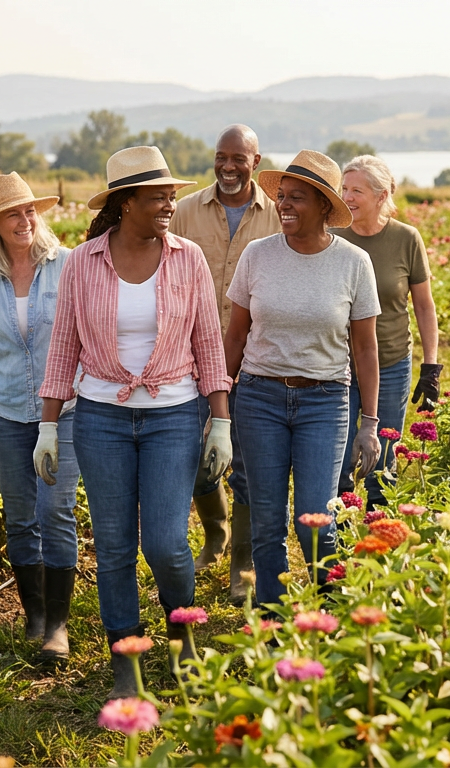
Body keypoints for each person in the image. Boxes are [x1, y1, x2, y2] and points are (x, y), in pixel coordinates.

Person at [38, 146, 233, 699]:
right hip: (100, 418)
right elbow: (63, 349)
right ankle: (125, 652)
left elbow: (207, 343)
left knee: (168, 542)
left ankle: (182, 632)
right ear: (127, 202)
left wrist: (219, 419)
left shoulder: (187, 258)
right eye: (159, 196)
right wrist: (49, 426)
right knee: (116, 543)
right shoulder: (83, 262)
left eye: (172, 194)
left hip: (174, 413)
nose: (171, 203)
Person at [222, 149, 381, 607]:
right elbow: (236, 335)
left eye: (297, 198)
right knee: (267, 518)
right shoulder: (258, 255)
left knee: (316, 518)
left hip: (325, 401)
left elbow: (366, 348)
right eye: (282, 196)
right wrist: (216, 407)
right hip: (259, 398)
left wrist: (368, 423)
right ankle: (271, 620)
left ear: (325, 207)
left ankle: (328, 613)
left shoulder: (353, 263)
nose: (284, 205)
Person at [0, 172, 81, 663]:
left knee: (56, 511)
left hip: (65, 410)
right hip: (7, 414)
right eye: (13, 212)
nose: (25, 219)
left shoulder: (67, 266)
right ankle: (33, 615)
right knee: (20, 516)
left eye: (30, 210)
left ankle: (58, 624)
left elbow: (86, 337)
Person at [168, 124, 282, 602]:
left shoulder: (277, 216)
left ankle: (242, 562)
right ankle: (214, 535)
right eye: (221, 156)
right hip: (190, 358)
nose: (228, 166)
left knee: (248, 466)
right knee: (193, 460)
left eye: (239, 157)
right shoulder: (186, 211)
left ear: (255, 162)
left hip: (255, 359)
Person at [332, 154, 441, 510]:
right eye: (344, 188)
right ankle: (340, 535)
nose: (347, 196)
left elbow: (424, 306)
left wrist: (431, 366)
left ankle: (379, 533)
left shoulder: (406, 239)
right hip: (340, 366)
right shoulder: (333, 239)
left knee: (383, 459)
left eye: (357, 190)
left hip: (392, 363)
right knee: (340, 457)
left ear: (381, 196)